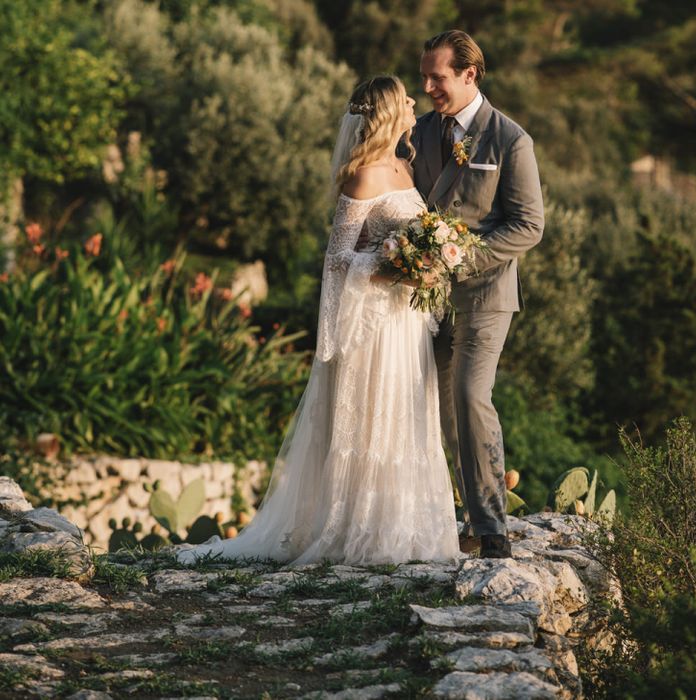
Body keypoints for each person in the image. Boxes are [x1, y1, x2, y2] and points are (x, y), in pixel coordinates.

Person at [176, 76, 460, 566]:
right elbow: (336, 258)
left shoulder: (403, 164)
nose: (416, 101)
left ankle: (405, 527)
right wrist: (390, 264)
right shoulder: (365, 174)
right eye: (407, 98)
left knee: (407, 416)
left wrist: (425, 262)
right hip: (372, 328)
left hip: (404, 322)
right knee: (373, 419)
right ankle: (359, 531)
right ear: (391, 110)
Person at [411, 30, 545, 558]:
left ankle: (492, 531)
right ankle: (448, 520)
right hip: (424, 298)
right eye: (424, 76)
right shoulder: (418, 132)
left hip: (486, 294)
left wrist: (457, 257)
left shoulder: (511, 140)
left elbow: (528, 226)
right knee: (441, 412)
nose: (427, 87)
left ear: (470, 74)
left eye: (437, 77)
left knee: (470, 398)